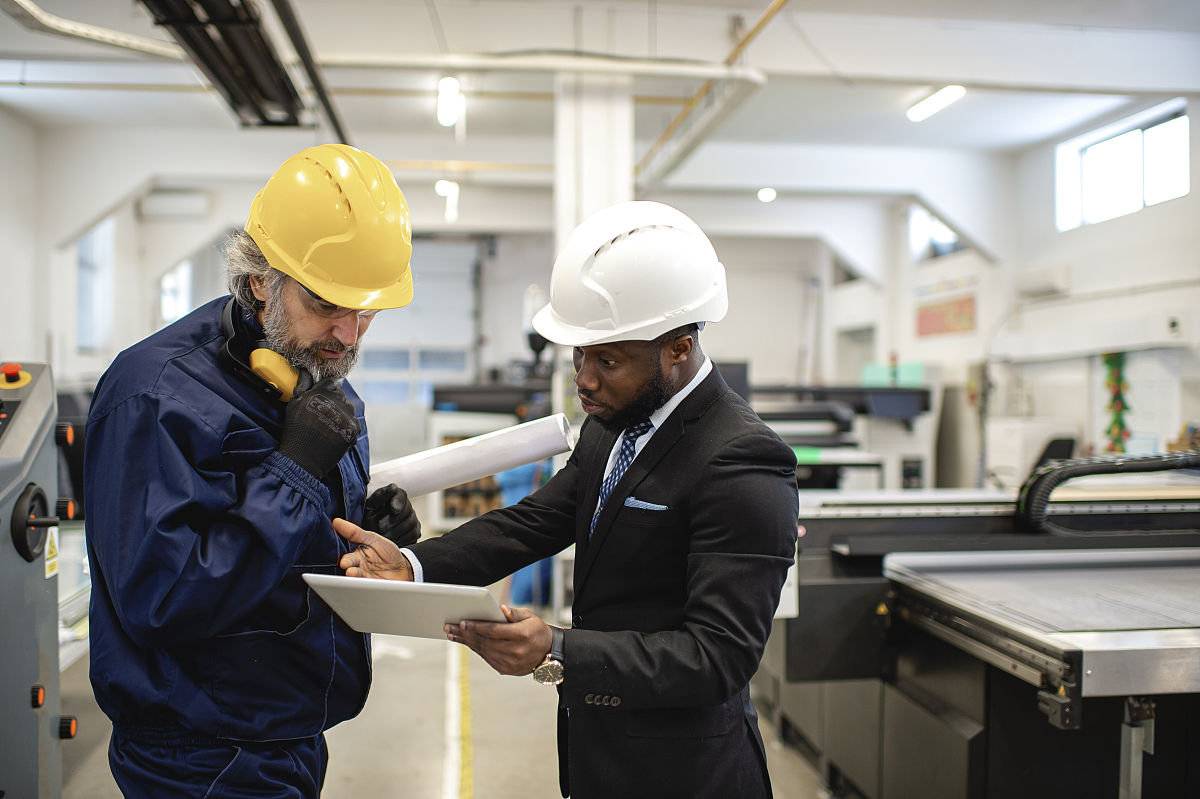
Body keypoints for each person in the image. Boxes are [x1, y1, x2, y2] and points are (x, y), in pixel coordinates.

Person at [335, 200, 799, 798]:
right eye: (579, 354)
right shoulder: (613, 421)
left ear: (679, 347)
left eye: (607, 359)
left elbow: (718, 657)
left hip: (686, 774)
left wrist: (558, 650)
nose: (584, 378)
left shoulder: (742, 461)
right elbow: (533, 522)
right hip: (598, 756)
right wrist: (415, 566)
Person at [84, 143, 421, 798]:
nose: (350, 335)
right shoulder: (155, 394)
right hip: (200, 754)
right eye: (328, 304)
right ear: (262, 278)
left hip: (287, 731)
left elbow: (281, 549)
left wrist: (365, 527)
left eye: (367, 312)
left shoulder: (323, 376)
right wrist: (294, 474)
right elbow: (163, 597)